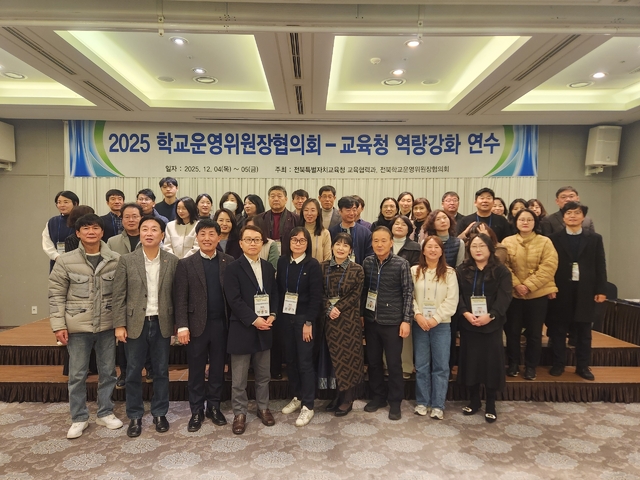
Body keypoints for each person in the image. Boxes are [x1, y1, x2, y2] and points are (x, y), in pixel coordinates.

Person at [49, 213, 123, 438]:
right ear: (78, 233)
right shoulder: (65, 261)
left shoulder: (116, 259)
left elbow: (122, 294)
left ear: (102, 232)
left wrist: (121, 324)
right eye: (86, 228)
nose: (91, 232)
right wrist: (58, 325)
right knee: (77, 374)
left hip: (107, 325)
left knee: (108, 372)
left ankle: (105, 412)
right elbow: (56, 295)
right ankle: (79, 417)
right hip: (77, 326)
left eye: (95, 228)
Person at [112, 216, 179, 437]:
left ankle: (160, 413)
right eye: (145, 229)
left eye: (154, 229)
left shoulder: (172, 261)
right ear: (140, 233)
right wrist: (119, 324)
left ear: (162, 235)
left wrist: (178, 324)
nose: (149, 233)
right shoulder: (126, 260)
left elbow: (177, 295)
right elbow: (118, 295)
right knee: (133, 372)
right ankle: (135, 415)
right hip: (134, 324)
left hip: (162, 322)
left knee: (161, 371)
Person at [174, 219, 234, 432]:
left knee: (218, 368)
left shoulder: (229, 261)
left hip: (221, 325)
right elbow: (180, 298)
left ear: (219, 237)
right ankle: (196, 410)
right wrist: (182, 326)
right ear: (197, 237)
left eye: (211, 234)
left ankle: (214, 407)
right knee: (196, 370)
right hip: (196, 326)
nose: (207, 238)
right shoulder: (185, 264)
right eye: (203, 234)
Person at [223, 225, 278, 435]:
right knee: (239, 379)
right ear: (241, 243)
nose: (253, 243)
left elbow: (275, 294)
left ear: (262, 243)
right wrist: (254, 320)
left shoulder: (268, 267)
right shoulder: (233, 268)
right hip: (243, 327)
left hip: (265, 327)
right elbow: (234, 300)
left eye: (257, 239)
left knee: (264, 375)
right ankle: (240, 413)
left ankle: (263, 408)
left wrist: (273, 314)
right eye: (248, 239)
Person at [547, 202, 607, 381]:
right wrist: (550, 287)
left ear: (583, 217)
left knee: (584, 332)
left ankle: (583, 366)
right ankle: (558, 364)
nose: (572, 216)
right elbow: (548, 266)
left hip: (585, 290)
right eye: (569, 213)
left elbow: (600, 265)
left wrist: (601, 289)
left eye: (577, 213)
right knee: (558, 330)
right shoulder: (553, 238)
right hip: (560, 289)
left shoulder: (594, 238)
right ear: (563, 217)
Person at [456, 233, 512, 423]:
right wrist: (465, 312)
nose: (478, 250)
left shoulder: (501, 271)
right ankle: (474, 401)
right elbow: (457, 295)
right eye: (474, 246)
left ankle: (490, 404)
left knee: (491, 364)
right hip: (469, 323)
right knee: (471, 363)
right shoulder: (462, 270)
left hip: (492, 325)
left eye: (481, 246)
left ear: (490, 248)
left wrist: (491, 315)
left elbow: (505, 297)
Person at [361, 226, 414, 421]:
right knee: (374, 362)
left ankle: (395, 402)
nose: (379, 244)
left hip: (393, 322)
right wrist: (362, 314)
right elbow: (364, 291)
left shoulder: (401, 264)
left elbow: (408, 293)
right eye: (376, 241)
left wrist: (406, 320)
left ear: (391, 243)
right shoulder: (367, 262)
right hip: (371, 320)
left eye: (384, 240)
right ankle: (378, 397)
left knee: (393, 364)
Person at [502, 209, 558, 380]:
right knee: (512, 331)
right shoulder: (507, 242)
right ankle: (513, 364)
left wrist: (528, 285)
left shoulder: (545, 242)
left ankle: (531, 366)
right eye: (521, 219)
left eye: (529, 219)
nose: (525, 222)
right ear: (515, 222)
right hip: (514, 295)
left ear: (535, 222)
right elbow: (502, 265)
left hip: (537, 295)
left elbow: (549, 266)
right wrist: (517, 284)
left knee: (534, 333)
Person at [278, 227, 323, 427]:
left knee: (305, 362)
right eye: (294, 239)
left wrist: (308, 322)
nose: (298, 243)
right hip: (285, 318)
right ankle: (297, 396)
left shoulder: (312, 265)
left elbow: (316, 297)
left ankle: (308, 405)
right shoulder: (282, 262)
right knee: (290, 360)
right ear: (288, 242)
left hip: (304, 319)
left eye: (302, 240)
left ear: (307, 243)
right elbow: (279, 291)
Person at [411, 236, 458, 420]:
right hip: (420, 324)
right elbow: (409, 296)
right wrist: (418, 315)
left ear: (441, 251)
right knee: (421, 365)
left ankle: (438, 405)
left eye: (436, 247)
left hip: (441, 325)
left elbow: (451, 300)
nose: (432, 250)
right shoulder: (414, 271)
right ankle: (422, 402)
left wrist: (435, 319)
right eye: (429, 247)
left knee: (441, 366)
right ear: (423, 250)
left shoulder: (449, 273)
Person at [321, 233, 365, 416]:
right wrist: (328, 308)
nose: (341, 248)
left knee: (348, 360)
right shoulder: (323, 267)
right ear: (332, 246)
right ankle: (338, 396)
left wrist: (337, 307)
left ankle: (348, 398)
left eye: (345, 245)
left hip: (348, 321)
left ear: (350, 250)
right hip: (328, 320)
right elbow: (318, 291)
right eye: (338, 244)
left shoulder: (357, 269)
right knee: (334, 361)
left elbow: (355, 295)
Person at [107, 203, 143, 389]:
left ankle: (150, 369)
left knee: (148, 335)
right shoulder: (112, 242)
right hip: (123, 294)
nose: (131, 220)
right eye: (127, 216)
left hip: (144, 294)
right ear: (121, 219)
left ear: (141, 218)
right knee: (123, 338)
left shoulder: (149, 237)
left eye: (135, 216)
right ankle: (124, 371)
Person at [328, 196, 373, 265]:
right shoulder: (332, 232)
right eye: (348, 210)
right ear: (340, 211)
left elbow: (370, 255)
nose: (352, 213)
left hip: (359, 269)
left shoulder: (365, 233)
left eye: (354, 210)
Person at [42, 190, 80, 272]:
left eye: (66, 202)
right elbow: (47, 242)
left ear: (75, 203)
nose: (62, 205)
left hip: (78, 263)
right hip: (57, 262)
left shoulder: (82, 220)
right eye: (59, 202)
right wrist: (57, 257)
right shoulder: (52, 221)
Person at [258, 186, 299, 256]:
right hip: (265, 254)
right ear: (268, 199)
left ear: (286, 199)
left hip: (288, 255)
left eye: (279, 196)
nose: (276, 199)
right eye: (272, 196)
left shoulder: (296, 219)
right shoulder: (259, 219)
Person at [300, 198, 332, 263]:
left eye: (313, 210)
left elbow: (327, 258)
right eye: (306, 210)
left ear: (318, 213)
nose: (309, 213)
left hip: (318, 268)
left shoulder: (325, 233)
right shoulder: (296, 232)